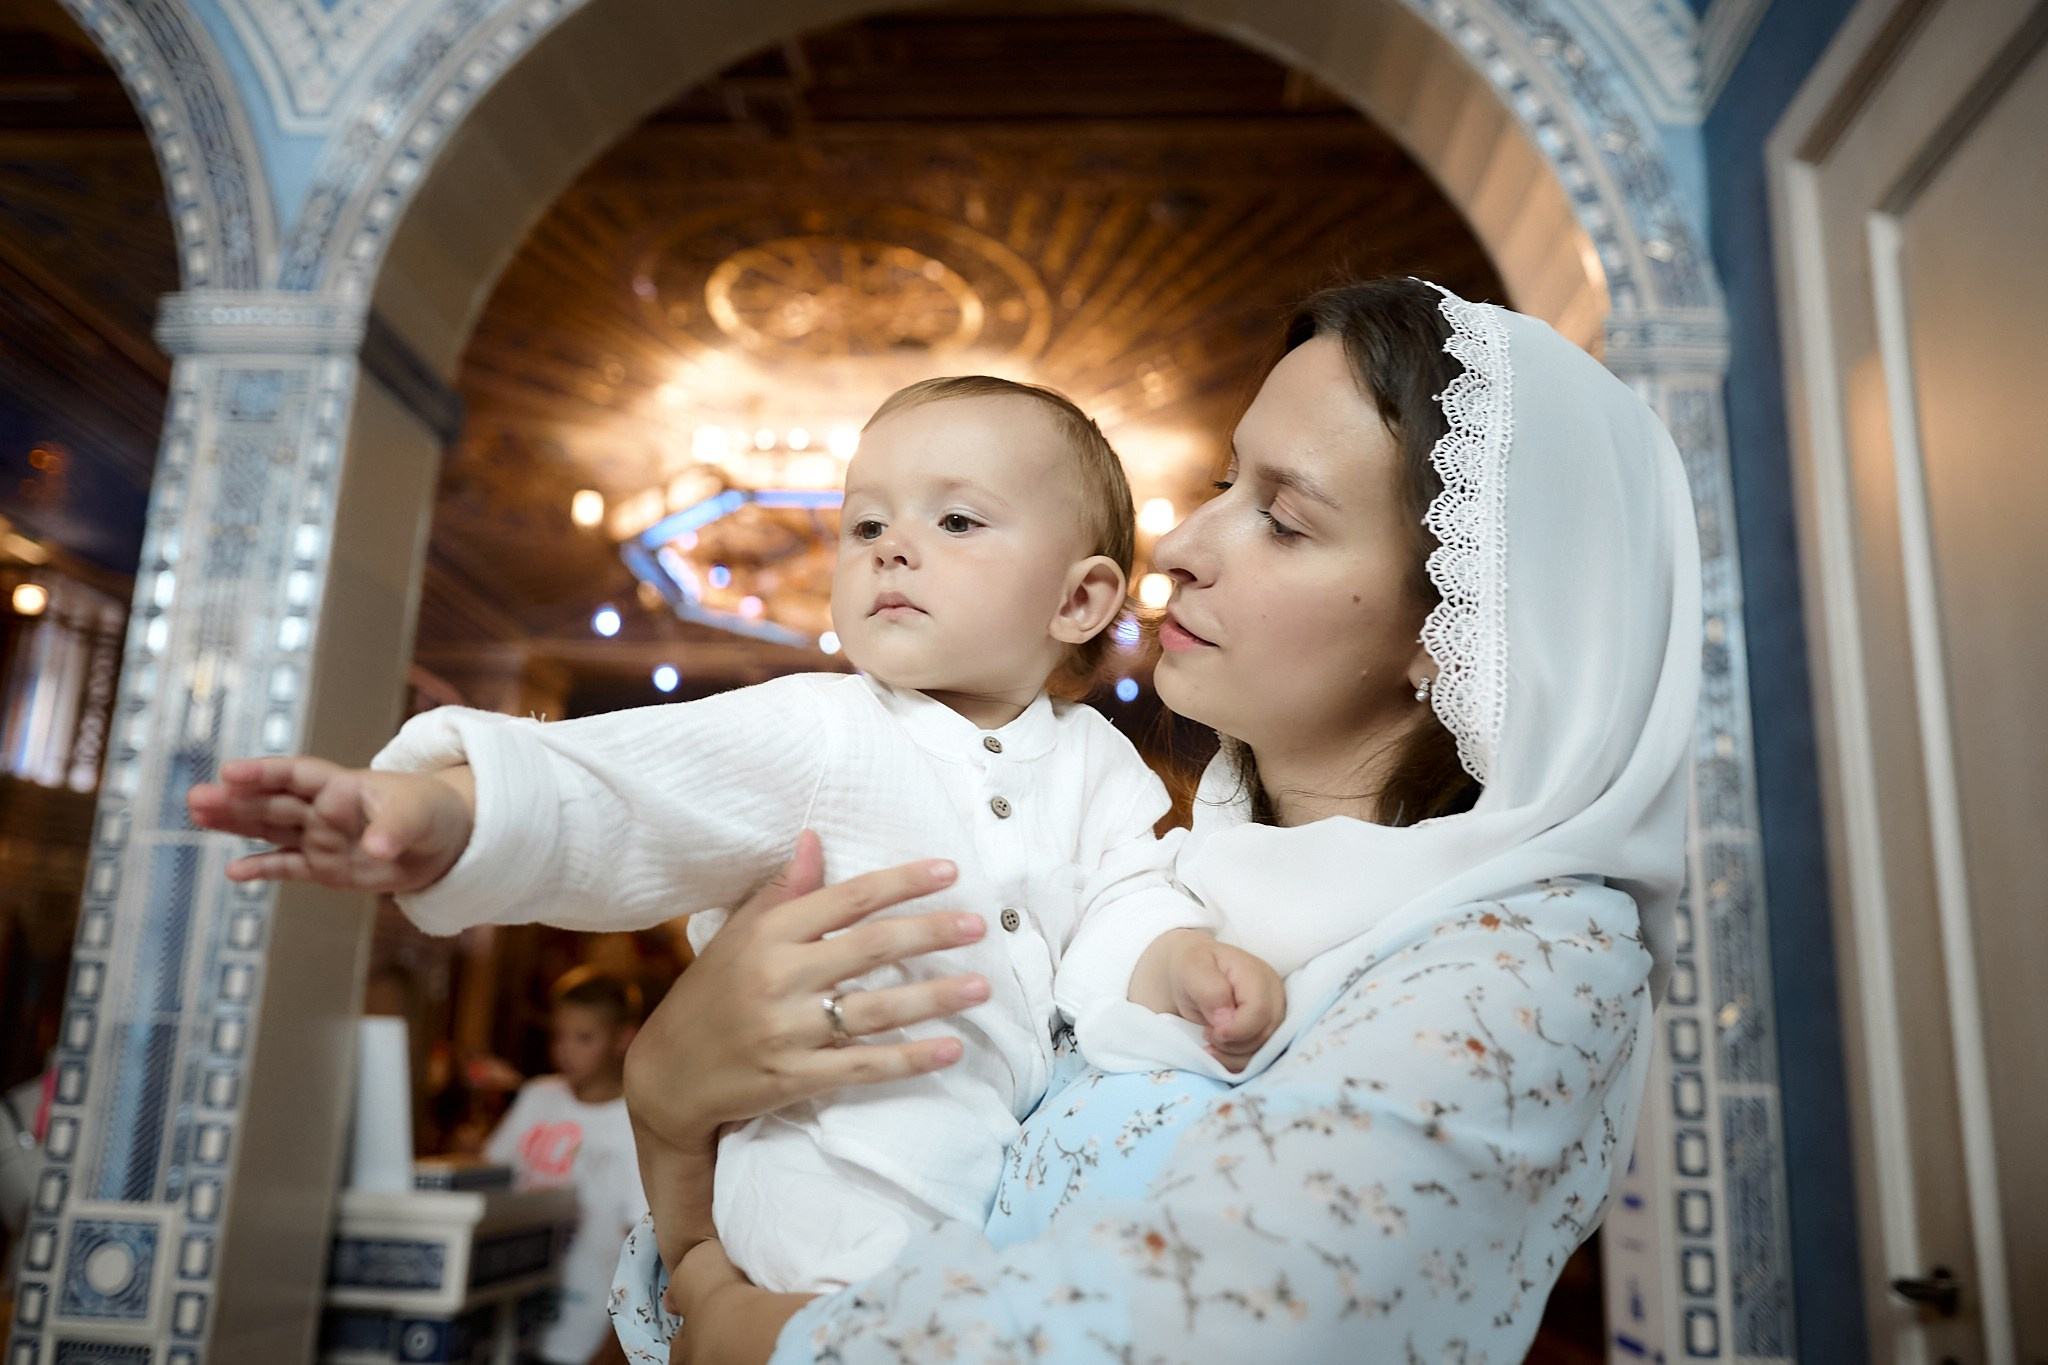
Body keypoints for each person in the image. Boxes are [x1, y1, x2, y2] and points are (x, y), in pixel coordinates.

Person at [606, 276, 1703, 1363]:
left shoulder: (1531, 961)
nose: (1178, 546)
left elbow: (1228, 1324)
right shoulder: (1144, 886)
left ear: (1456, 624)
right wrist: (665, 1109)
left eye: (1282, 519)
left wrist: (772, 1336)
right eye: (1225, 482)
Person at [185, 376, 1292, 1295]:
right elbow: (624, 792)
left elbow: (1124, 899)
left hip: (993, 1176)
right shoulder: (821, 726)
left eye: (954, 521)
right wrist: (439, 814)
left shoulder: (1096, 762)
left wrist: (1177, 963)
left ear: (1079, 601)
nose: (891, 549)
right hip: (828, 1175)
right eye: (866, 524)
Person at [486, 968, 647, 1365]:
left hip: (583, 1333)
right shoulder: (538, 1096)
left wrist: (615, 1348)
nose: (566, 1050)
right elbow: (491, 1180)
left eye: (584, 1038)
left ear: (622, 1038)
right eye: (559, 1035)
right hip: (507, 1321)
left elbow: (642, 1250)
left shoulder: (636, 1120)